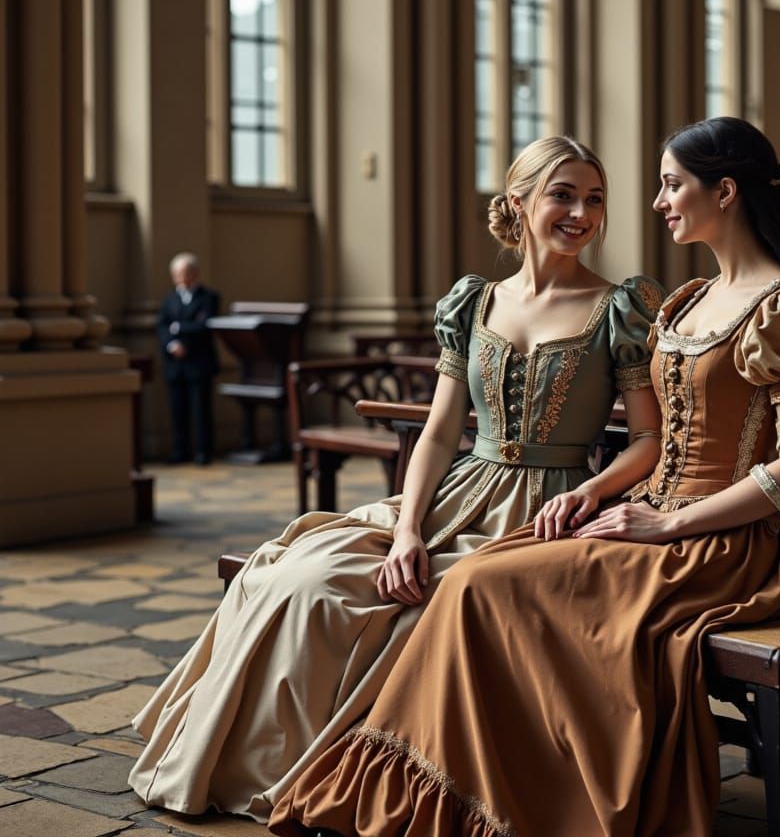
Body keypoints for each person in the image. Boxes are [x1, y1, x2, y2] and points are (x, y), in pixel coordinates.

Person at [268, 117, 780, 837]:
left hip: (730, 544)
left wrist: (666, 522)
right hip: (649, 517)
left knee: (479, 586)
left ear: (725, 192)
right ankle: (455, 799)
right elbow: (657, 438)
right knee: (474, 580)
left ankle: (509, 806)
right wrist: (604, 495)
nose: (658, 202)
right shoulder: (690, 300)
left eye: (671, 185)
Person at [128, 136, 664, 822]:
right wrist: (408, 530)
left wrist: (590, 490)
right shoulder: (474, 303)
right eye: (563, 195)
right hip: (457, 494)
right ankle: (263, 765)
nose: (581, 214)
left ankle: (362, 780)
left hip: (551, 509)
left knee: (426, 610)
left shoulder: (620, 307)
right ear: (520, 201)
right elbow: (440, 431)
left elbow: (647, 439)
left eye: (594, 199)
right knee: (303, 580)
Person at [157, 252, 220, 465]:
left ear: (195, 273)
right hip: (175, 364)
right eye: (176, 273)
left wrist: (179, 329)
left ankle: (203, 451)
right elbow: (162, 326)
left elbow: (205, 326)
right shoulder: (169, 299)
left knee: (201, 410)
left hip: (199, 363)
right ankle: (180, 450)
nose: (180, 277)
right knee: (178, 410)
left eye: (184, 272)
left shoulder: (209, 297)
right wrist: (172, 344)